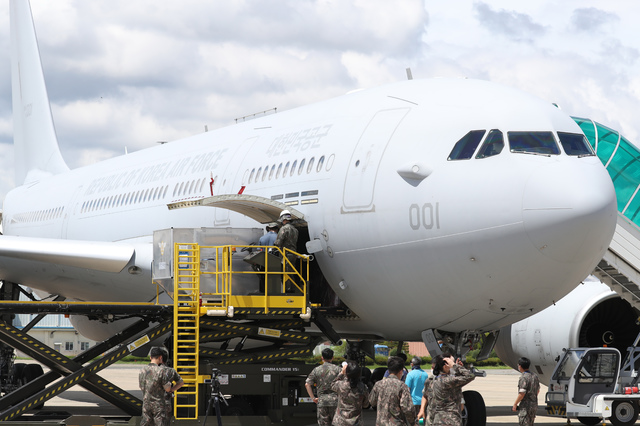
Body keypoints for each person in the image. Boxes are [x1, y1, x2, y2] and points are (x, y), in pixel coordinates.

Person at [139, 347, 184, 426]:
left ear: (150, 357)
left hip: (146, 403)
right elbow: (167, 388)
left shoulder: (142, 370)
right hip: (158, 405)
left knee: (146, 423)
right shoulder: (161, 371)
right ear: (160, 357)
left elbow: (141, 386)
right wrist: (171, 389)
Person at [429, 353, 475, 426]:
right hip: (450, 421)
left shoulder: (436, 380)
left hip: (438, 420)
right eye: (451, 362)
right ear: (446, 366)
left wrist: (457, 368)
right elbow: (470, 375)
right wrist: (455, 366)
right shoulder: (448, 381)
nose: (453, 364)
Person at [370, 356, 415, 425]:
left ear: (388, 371)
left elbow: (372, 401)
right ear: (401, 371)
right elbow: (407, 408)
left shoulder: (378, 384)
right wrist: (412, 422)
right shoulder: (402, 386)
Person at [305, 348, 341, 426]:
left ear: (322, 358)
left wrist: (313, 398)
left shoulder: (316, 370)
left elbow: (307, 384)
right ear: (332, 357)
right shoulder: (338, 369)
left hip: (322, 401)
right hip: (335, 401)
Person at [331, 360, 370, 426]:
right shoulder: (363, 387)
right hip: (356, 422)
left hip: (340, 422)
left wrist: (341, 373)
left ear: (347, 373)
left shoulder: (341, 385)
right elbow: (366, 405)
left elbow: (332, 385)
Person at [512, 356, 540, 426]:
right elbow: (538, 390)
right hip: (534, 405)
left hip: (525, 407)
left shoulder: (524, 377)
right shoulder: (534, 376)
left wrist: (515, 404)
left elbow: (522, 393)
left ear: (520, 366)